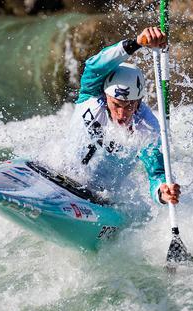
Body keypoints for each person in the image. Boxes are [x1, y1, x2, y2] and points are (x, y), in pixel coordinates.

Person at [68, 26, 181, 206]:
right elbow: (94, 65)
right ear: (106, 96)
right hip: (63, 176)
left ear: (139, 102)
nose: (122, 115)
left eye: (129, 106)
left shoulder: (148, 128)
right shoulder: (90, 95)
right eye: (116, 105)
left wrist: (163, 193)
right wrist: (136, 43)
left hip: (102, 200)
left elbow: (157, 175)